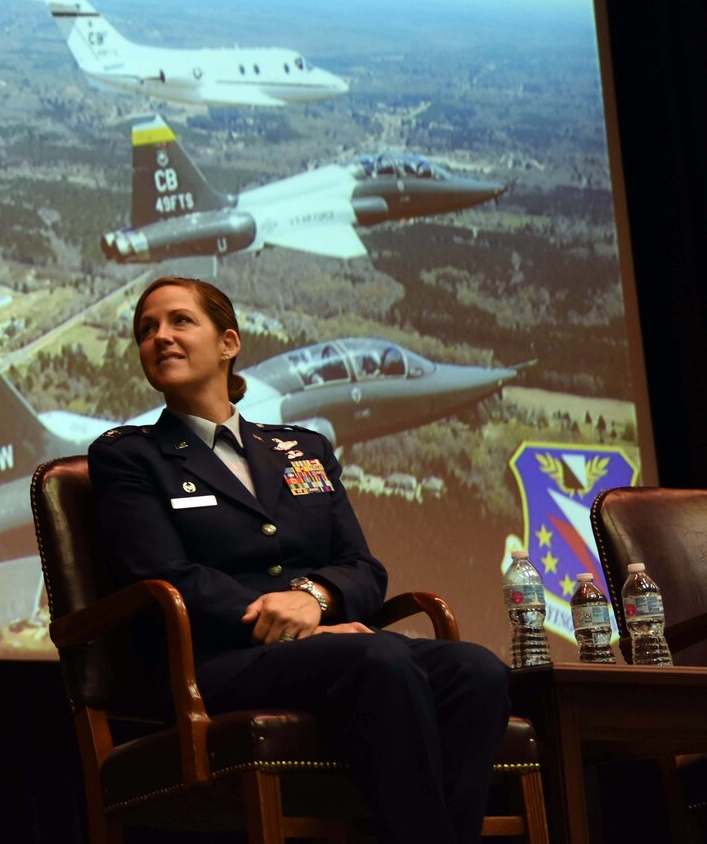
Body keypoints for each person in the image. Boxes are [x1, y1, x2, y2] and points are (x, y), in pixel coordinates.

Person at [88, 276, 511, 844]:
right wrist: (292, 626)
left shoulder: (302, 448)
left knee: (476, 671)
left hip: (331, 647)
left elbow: (362, 568)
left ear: (228, 343)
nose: (160, 336)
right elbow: (165, 577)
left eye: (180, 321)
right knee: (379, 661)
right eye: (146, 330)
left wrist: (314, 601)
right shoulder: (130, 457)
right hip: (216, 661)